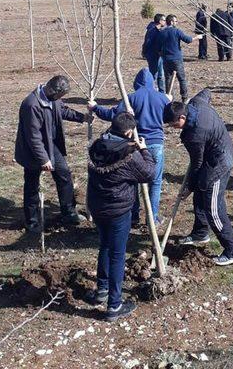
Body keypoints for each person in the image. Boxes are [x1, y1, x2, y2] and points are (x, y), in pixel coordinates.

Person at [85, 113, 155, 321]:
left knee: (105, 246)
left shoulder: (96, 146)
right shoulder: (128, 155)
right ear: (128, 132)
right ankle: (114, 306)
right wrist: (144, 150)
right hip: (118, 210)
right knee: (117, 254)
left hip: (97, 206)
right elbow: (149, 173)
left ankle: (102, 291)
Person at [163, 93, 233, 265]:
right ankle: (200, 233)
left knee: (212, 206)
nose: (172, 127)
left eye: (174, 124)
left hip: (219, 162)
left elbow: (197, 164)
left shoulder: (195, 134)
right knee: (200, 190)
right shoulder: (196, 102)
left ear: (183, 117)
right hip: (213, 154)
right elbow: (206, 93)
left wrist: (188, 188)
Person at [89, 68, 170, 225]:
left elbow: (114, 117)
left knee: (133, 179)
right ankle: (152, 218)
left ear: (136, 83)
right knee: (155, 181)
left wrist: (95, 108)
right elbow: (169, 117)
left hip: (136, 144)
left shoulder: (131, 98)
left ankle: (133, 215)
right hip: (156, 144)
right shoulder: (162, 98)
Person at [14, 75, 90, 232]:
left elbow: (63, 111)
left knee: (64, 175)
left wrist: (82, 118)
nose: (61, 99)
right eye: (61, 96)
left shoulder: (53, 98)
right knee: (32, 185)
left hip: (51, 144)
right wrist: (43, 159)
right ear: (53, 91)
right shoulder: (32, 105)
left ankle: (69, 213)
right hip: (32, 150)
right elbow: (33, 137)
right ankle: (32, 221)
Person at [158, 14, 201, 102]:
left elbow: (158, 46)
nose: (176, 23)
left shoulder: (161, 32)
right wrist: (197, 37)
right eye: (176, 21)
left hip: (166, 59)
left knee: (168, 79)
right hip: (176, 59)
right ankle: (184, 98)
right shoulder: (176, 31)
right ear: (171, 22)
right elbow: (188, 40)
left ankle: (170, 98)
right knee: (181, 79)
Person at [141, 14, 166, 92]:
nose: (165, 22)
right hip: (153, 55)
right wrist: (144, 52)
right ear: (160, 21)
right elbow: (147, 42)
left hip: (159, 55)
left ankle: (161, 92)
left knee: (160, 75)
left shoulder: (158, 29)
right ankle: (151, 91)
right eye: (164, 20)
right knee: (154, 74)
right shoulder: (152, 30)